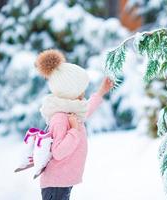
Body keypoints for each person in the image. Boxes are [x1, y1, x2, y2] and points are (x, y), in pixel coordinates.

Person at [35, 49, 114, 200]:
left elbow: (86, 110)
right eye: (81, 89)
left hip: (63, 181)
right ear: (70, 91)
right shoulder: (59, 117)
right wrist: (75, 131)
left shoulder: (70, 111)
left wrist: (101, 92)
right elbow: (58, 151)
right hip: (55, 184)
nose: (83, 93)